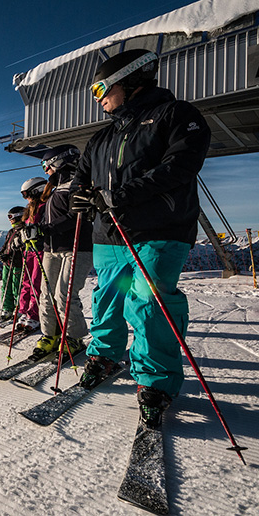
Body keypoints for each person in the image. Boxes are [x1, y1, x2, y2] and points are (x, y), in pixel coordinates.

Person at [70, 48, 211, 428]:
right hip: (109, 234)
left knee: (149, 304)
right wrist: (80, 197)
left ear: (130, 81)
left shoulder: (176, 116)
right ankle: (105, 354)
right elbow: (81, 180)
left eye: (100, 88)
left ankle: (155, 381)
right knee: (107, 298)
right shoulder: (100, 138)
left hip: (159, 231)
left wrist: (118, 196)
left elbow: (180, 166)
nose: (97, 97)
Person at [23, 145, 93, 360]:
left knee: (64, 296)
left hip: (76, 248)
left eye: (46, 165)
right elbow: (50, 220)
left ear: (59, 161)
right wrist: (34, 233)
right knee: (46, 295)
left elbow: (75, 216)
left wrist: (44, 229)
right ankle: (50, 335)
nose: (45, 171)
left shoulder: (77, 185)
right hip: (51, 250)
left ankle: (73, 337)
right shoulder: (55, 190)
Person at [15, 177, 47, 332]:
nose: (25, 197)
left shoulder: (44, 207)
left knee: (35, 282)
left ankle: (34, 314)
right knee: (26, 281)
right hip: (29, 250)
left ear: (37, 190)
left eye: (26, 194)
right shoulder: (29, 210)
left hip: (40, 250)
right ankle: (24, 310)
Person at [0, 206, 26, 324]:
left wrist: (9, 255)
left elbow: (22, 249)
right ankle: (7, 309)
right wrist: (1, 254)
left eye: (11, 217)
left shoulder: (23, 230)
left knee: (16, 287)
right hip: (7, 263)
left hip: (18, 263)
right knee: (5, 287)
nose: (9, 219)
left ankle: (19, 309)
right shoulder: (12, 231)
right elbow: (6, 245)